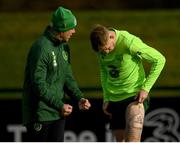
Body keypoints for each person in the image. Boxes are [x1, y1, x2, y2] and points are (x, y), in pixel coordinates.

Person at [22, 6, 91, 142]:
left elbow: (67, 77)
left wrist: (79, 98)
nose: (74, 31)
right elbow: (38, 84)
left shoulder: (64, 47)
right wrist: (59, 105)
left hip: (58, 114)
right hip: (40, 114)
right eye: (71, 28)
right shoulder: (41, 48)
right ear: (62, 28)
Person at [90, 24, 166, 142]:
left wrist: (146, 88)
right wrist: (106, 97)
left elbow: (159, 59)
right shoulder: (101, 49)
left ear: (111, 37)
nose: (106, 53)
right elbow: (104, 72)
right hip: (114, 99)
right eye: (103, 51)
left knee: (133, 141)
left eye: (108, 49)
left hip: (134, 96)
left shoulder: (128, 42)